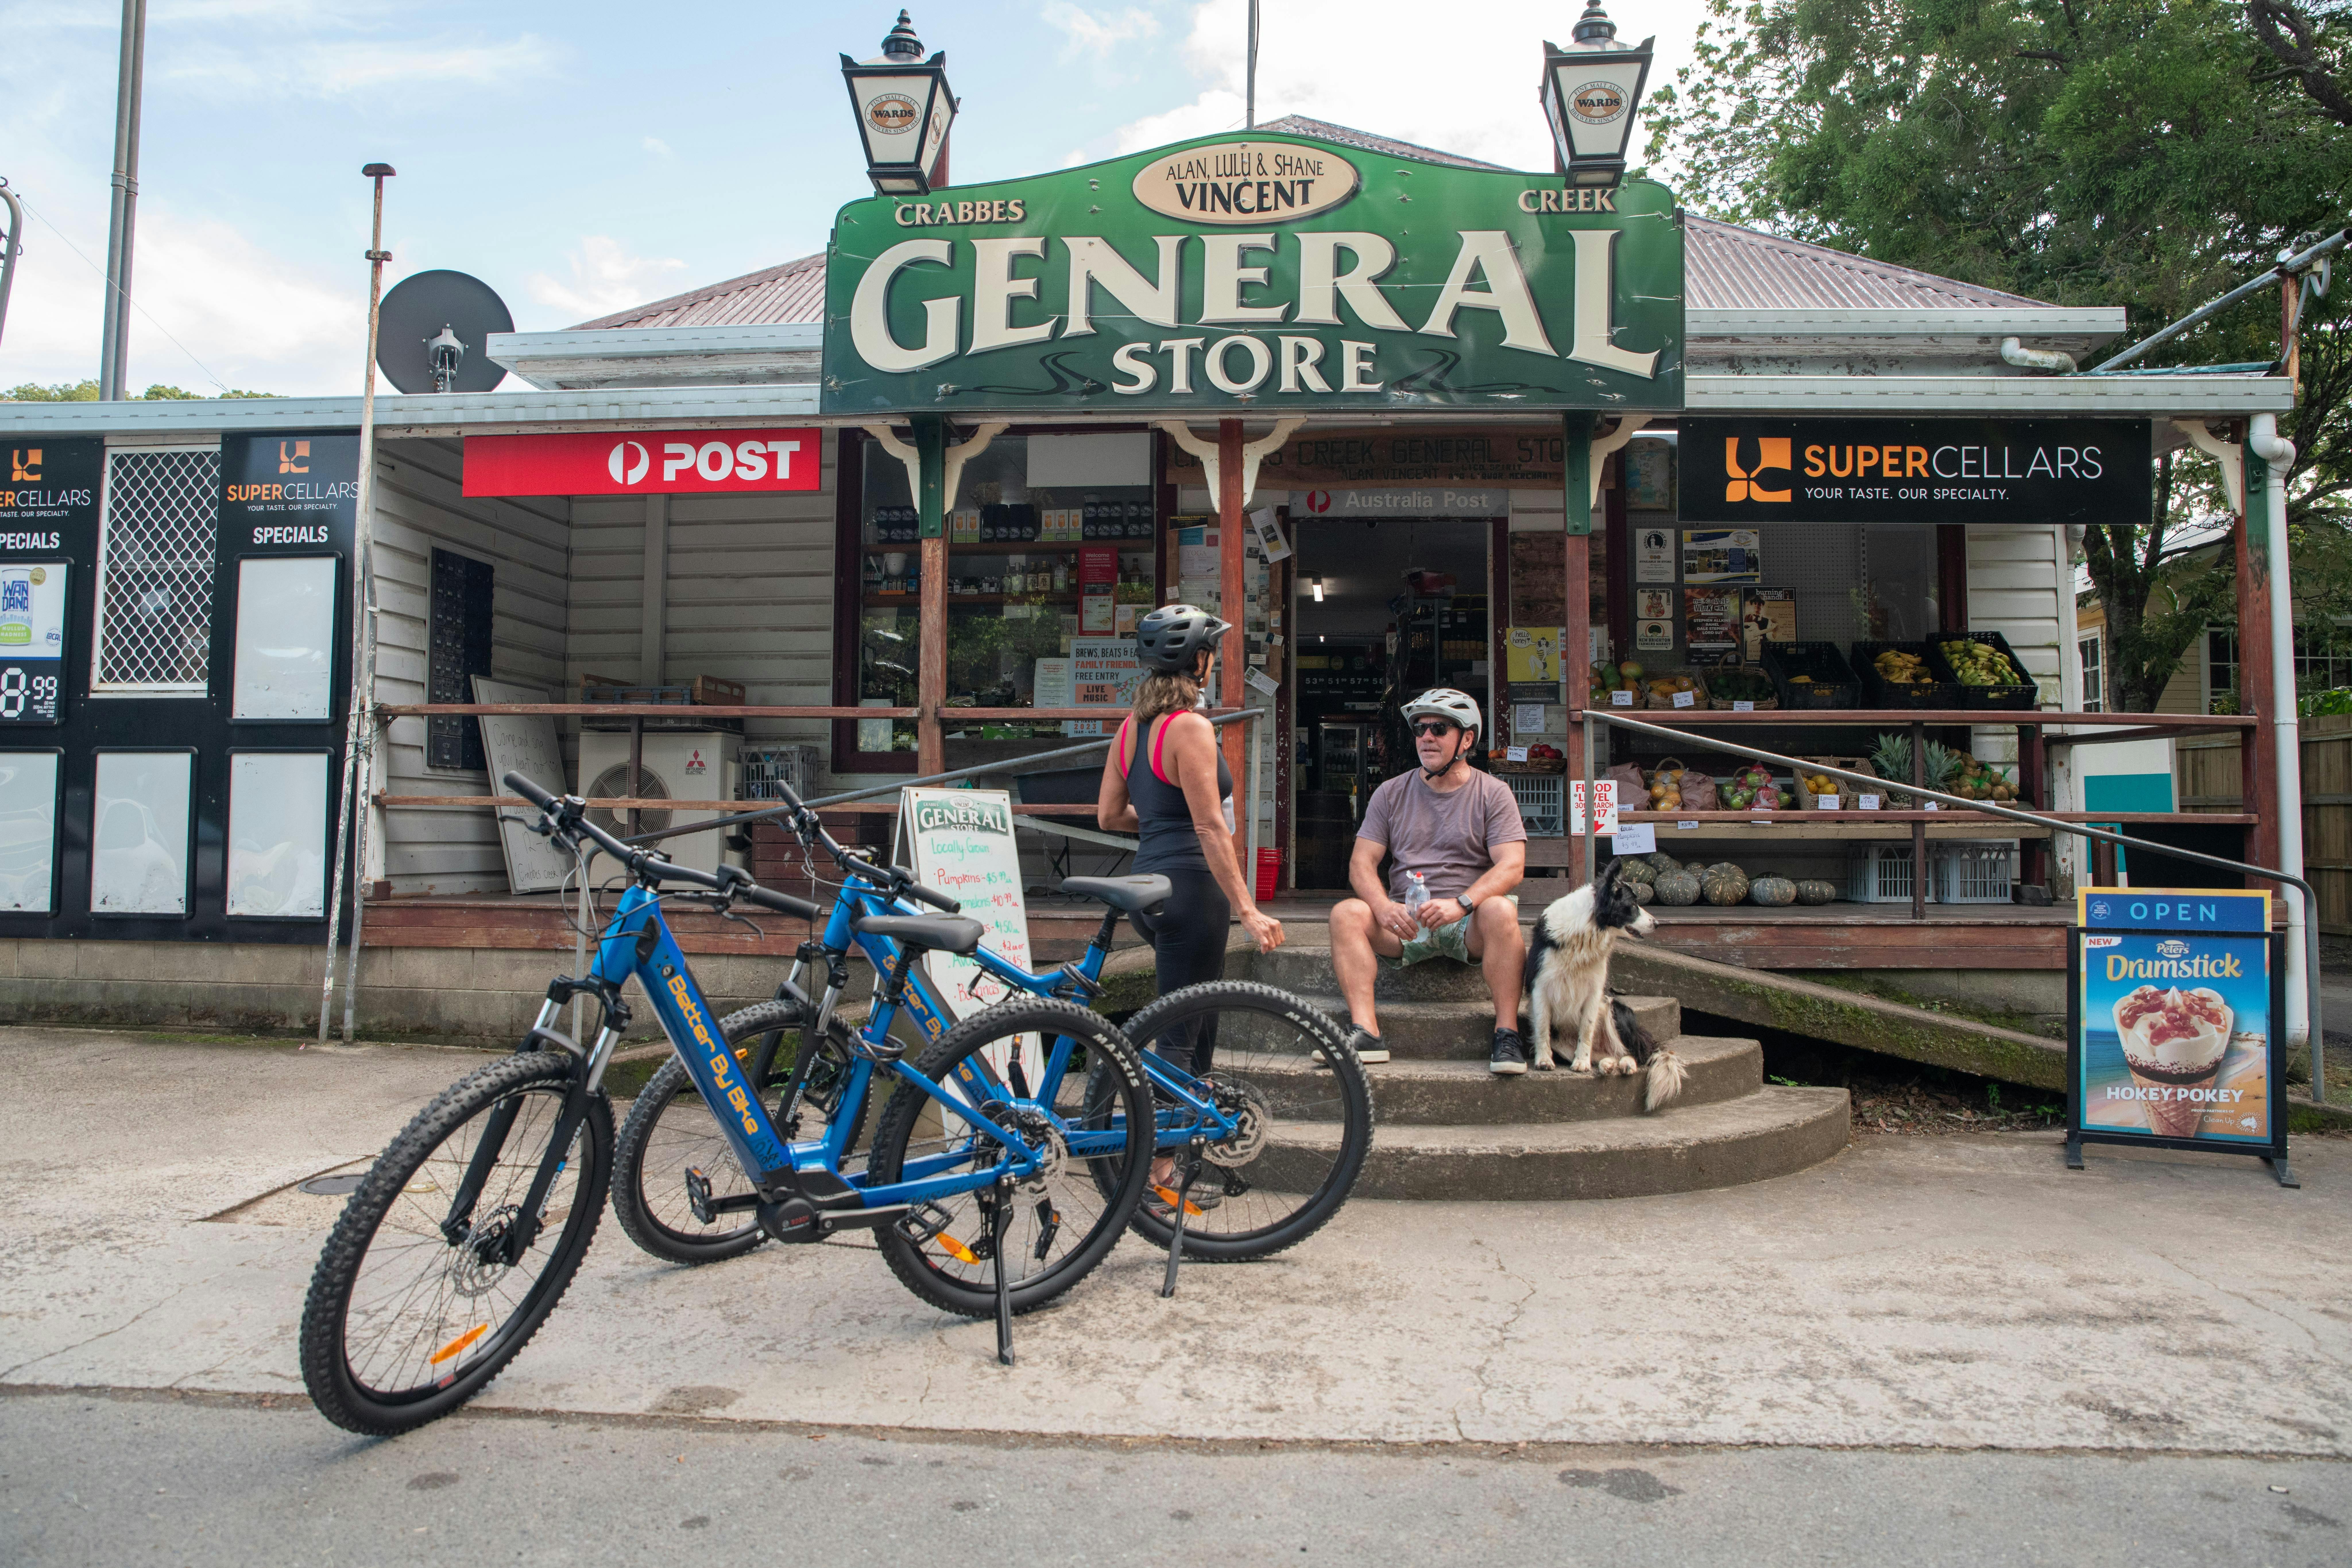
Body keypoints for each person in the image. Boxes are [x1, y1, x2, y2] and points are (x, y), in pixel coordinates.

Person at [1097, 603, 1285, 1205]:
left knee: (1183, 1017)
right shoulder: (1191, 728)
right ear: (1197, 661)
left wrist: (1157, 822)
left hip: (1148, 885)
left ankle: (1172, 1159)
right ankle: (1155, 1177)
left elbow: (1109, 815)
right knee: (1183, 1033)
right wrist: (1249, 908)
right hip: (1191, 887)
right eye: (1211, 652)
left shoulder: (1131, 729)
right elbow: (1211, 827)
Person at [1329, 689, 1530, 1073]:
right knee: (1346, 914)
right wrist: (1384, 907)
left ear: (1467, 739)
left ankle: (1507, 1034)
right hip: (1405, 921)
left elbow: (1512, 865)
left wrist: (1462, 903)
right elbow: (1361, 864)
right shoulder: (1391, 792)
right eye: (1420, 729)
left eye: (1439, 728)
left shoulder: (1494, 793)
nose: (1426, 737)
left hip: (1467, 922)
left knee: (1503, 909)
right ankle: (1366, 1033)